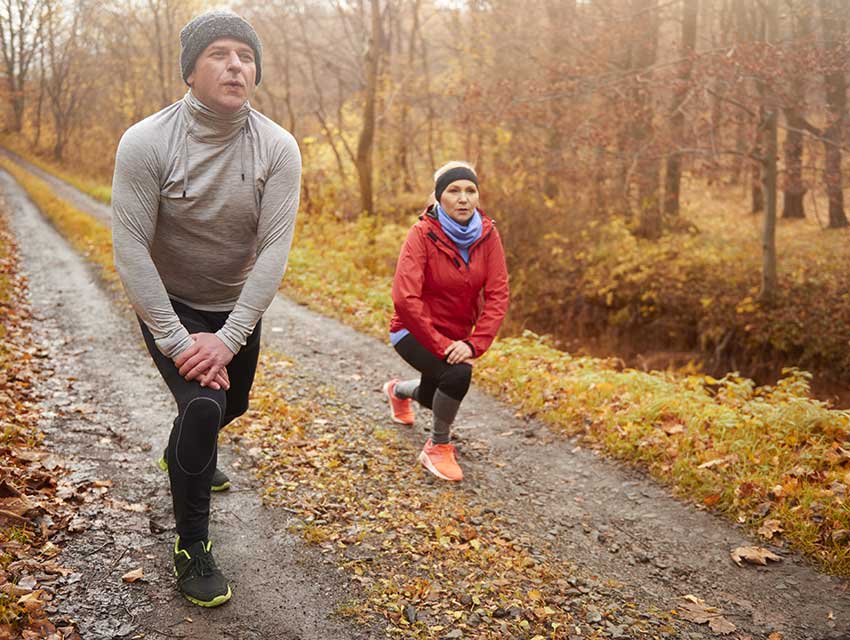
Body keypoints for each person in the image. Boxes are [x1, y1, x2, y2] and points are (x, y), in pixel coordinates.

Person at [111, 10, 301, 607]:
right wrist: (178, 340)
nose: (236, 65)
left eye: (245, 56)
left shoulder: (277, 147)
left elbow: (274, 250)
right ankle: (192, 547)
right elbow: (130, 248)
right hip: (168, 301)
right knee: (202, 406)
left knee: (231, 403)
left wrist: (231, 336)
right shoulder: (146, 142)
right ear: (190, 70)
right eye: (220, 53)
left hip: (234, 305)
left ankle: (182, 455)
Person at [383, 162, 509, 482]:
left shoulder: (488, 235)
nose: (463, 198)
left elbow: (498, 295)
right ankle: (437, 446)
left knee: (432, 395)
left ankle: (398, 391)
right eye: (454, 191)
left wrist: (473, 343)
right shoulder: (422, 234)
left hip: (457, 337)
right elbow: (405, 299)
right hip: (412, 331)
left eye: (470, 191)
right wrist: (443, 346)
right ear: (440, 197)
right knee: (457, 374)